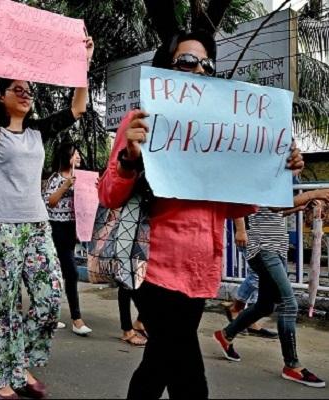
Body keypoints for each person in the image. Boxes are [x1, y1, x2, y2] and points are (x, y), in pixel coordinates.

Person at [99, 31, 304, 398]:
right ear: (167, 68)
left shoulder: (220, 129)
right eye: (187, 61)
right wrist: (130, 157)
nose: (198, 69)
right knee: (187, 374)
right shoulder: (141, 119)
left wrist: (278, 168)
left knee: (160, 362)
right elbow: (109, 196)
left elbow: (237, 206)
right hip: (152, 264)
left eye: (206, 64)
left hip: (199, 270)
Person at [0, 8, 94, 398]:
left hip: (36, 226)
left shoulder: (39, 132)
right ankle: (2, 377)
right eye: (17, 89)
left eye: (29, 90)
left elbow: (76, 109)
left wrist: (82, 64)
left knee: (47, 299)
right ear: (2, 97)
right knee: (4, 308)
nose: (25, 93)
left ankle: (20, 365)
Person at [213, 189, 329, 388]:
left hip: (276, 246)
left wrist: (297, 207)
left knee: (266, 305)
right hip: (262, 247)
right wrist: (315, 193)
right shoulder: (265, 166)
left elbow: (272, 210)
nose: (297, 165)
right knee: (288, 304)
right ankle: (292, 365)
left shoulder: (277, 177)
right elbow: (266, 202)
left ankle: (226, 334)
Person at [43, 141, 92, 337]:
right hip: (56, 229)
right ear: (66, 157)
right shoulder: (55, 178)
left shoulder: (81, 178)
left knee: (60, 274)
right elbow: (51, 202)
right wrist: (65, 186)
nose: (78, 157)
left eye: (79, 153)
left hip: (73, 229)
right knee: (69, 273)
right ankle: (76, 319)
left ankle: (51, 316)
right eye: (74, 154)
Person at [224, 218, 278, 338]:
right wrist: (241, 229)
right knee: (259, 274)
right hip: (250, 232)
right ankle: (237, 308)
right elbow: (241, 202)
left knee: (260, 274)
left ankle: (248, 318)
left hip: (263, 232)